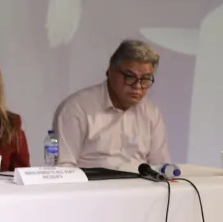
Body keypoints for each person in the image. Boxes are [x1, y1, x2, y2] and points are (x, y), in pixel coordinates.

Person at [53, 39, 170, 171]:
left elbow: (160, 166)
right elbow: (64, 168)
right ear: (110, 71)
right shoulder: (77, 108)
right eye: (130, 76)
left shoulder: (150, 111)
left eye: (145, 79)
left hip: (140, 188)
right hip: (93, 188)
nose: (138, 86)